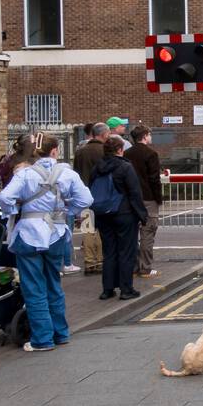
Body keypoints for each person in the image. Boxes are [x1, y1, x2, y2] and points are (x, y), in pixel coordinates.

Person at [0, 134, 92, 351]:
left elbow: (4, 198)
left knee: (33, 288)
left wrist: (14, 211)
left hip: (29, 233)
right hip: (57, 233)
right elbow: (86, 200)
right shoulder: (67, 174)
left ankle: (42, 339)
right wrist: (69, 210)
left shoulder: (25, 174)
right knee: (54, 285)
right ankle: (61, 333)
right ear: (55, 151)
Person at [90, 136, 147, 301]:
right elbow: (135, 193)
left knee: (109, 252)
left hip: (102, 215)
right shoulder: (125, 167)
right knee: (126, 252)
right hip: (124, 214)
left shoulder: (97, 168)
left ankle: (107, 289)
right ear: (120, 150)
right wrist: (142, 215)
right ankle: (126, 289)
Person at [124, 124, 163, 278]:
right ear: (145, 136)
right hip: (148, 198)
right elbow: (154, 179)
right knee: (147, 232)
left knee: (132, 233)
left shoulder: (126, 153)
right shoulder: (151, 154)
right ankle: (145, 268)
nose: (151, 137)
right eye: (150, 134)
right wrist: (158, 198)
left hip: (130, 198)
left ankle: (133, 266)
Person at [73, 122, 109, 275]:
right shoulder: (105, 151)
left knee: (88, 229)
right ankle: (100, 261)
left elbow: (76, 173)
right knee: (102, 230)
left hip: (83, 196)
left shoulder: (81, 151)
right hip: (101, 196)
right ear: (104, 135)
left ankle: (89, 263)